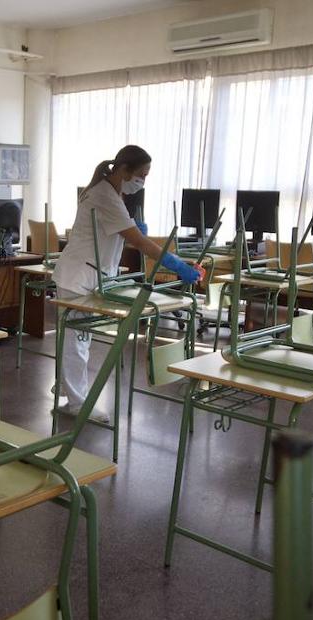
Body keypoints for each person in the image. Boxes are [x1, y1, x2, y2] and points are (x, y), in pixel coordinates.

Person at [50, 145, 201, 421]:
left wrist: (131, 231)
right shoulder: (104, 196)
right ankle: (76, 403)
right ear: (124, 170)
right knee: (76, 343)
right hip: (77, 277)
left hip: (90, 276)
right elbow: (141, 243)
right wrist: (176, 264)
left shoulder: (111, 194)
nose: (143, 181)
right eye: (141, 174)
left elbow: (120, 234)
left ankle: (67, 387)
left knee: (78, 340)